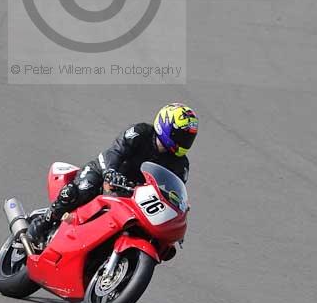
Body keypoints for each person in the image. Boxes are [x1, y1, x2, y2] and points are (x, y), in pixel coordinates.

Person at [26, 102, 199, 248]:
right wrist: (111, 172)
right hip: (106, 173)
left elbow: (173, 191)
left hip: (134, 196)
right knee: (83, 189)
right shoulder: (140, 132)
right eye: (181, 135)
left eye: (188, 137)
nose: (184, 141)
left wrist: (177, 212)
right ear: (166, 125)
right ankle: (44, 222)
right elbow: (115, 151)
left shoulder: (181, 164)